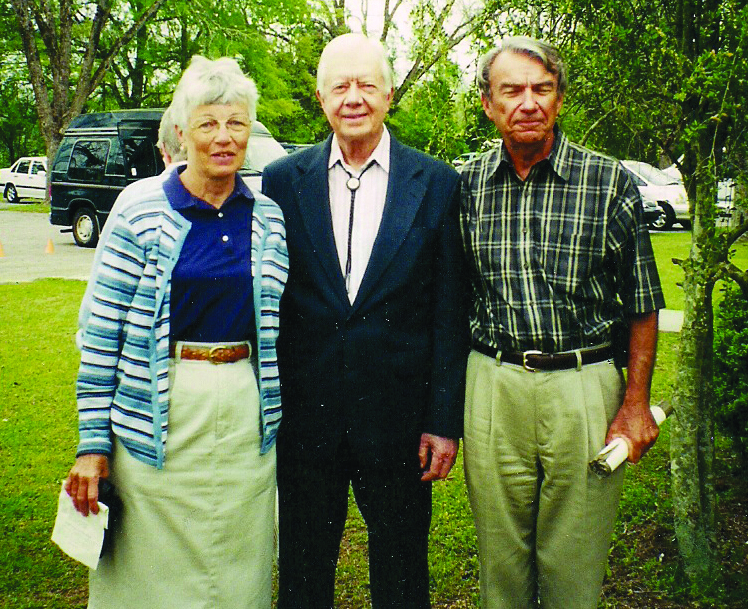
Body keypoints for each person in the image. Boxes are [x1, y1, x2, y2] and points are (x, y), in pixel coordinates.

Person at [64, 55, 288, 609]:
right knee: (149, 574)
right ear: (182, 132)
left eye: (236, 123)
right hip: (156, 412)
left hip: (243, 412)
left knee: (238, 565)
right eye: (208, 123)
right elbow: (100, 335)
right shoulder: (139, 208)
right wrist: (93, 445)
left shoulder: (268, 217)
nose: (222, 137)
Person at [261, 33, 469, 608]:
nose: (354, 98)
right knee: (302, 574)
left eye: (367, 85)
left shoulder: (437, 184)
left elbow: (450, 313)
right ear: (321, 97)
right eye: (340, 86)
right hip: (306, 421)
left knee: (402, 579)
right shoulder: (282, 180)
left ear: (390, 93)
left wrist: (443, 420)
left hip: (399, 423)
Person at [460, 36, 666, 609]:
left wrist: (634, 402)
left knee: (572, 569)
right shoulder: (470, 188)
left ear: (559, 100)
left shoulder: (609, 182)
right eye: (512, 91)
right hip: (493, 385)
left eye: (541, 89)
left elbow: (643, 303)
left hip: (584, 387)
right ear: (489, 104)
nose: (528, 102)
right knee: (500, 565)